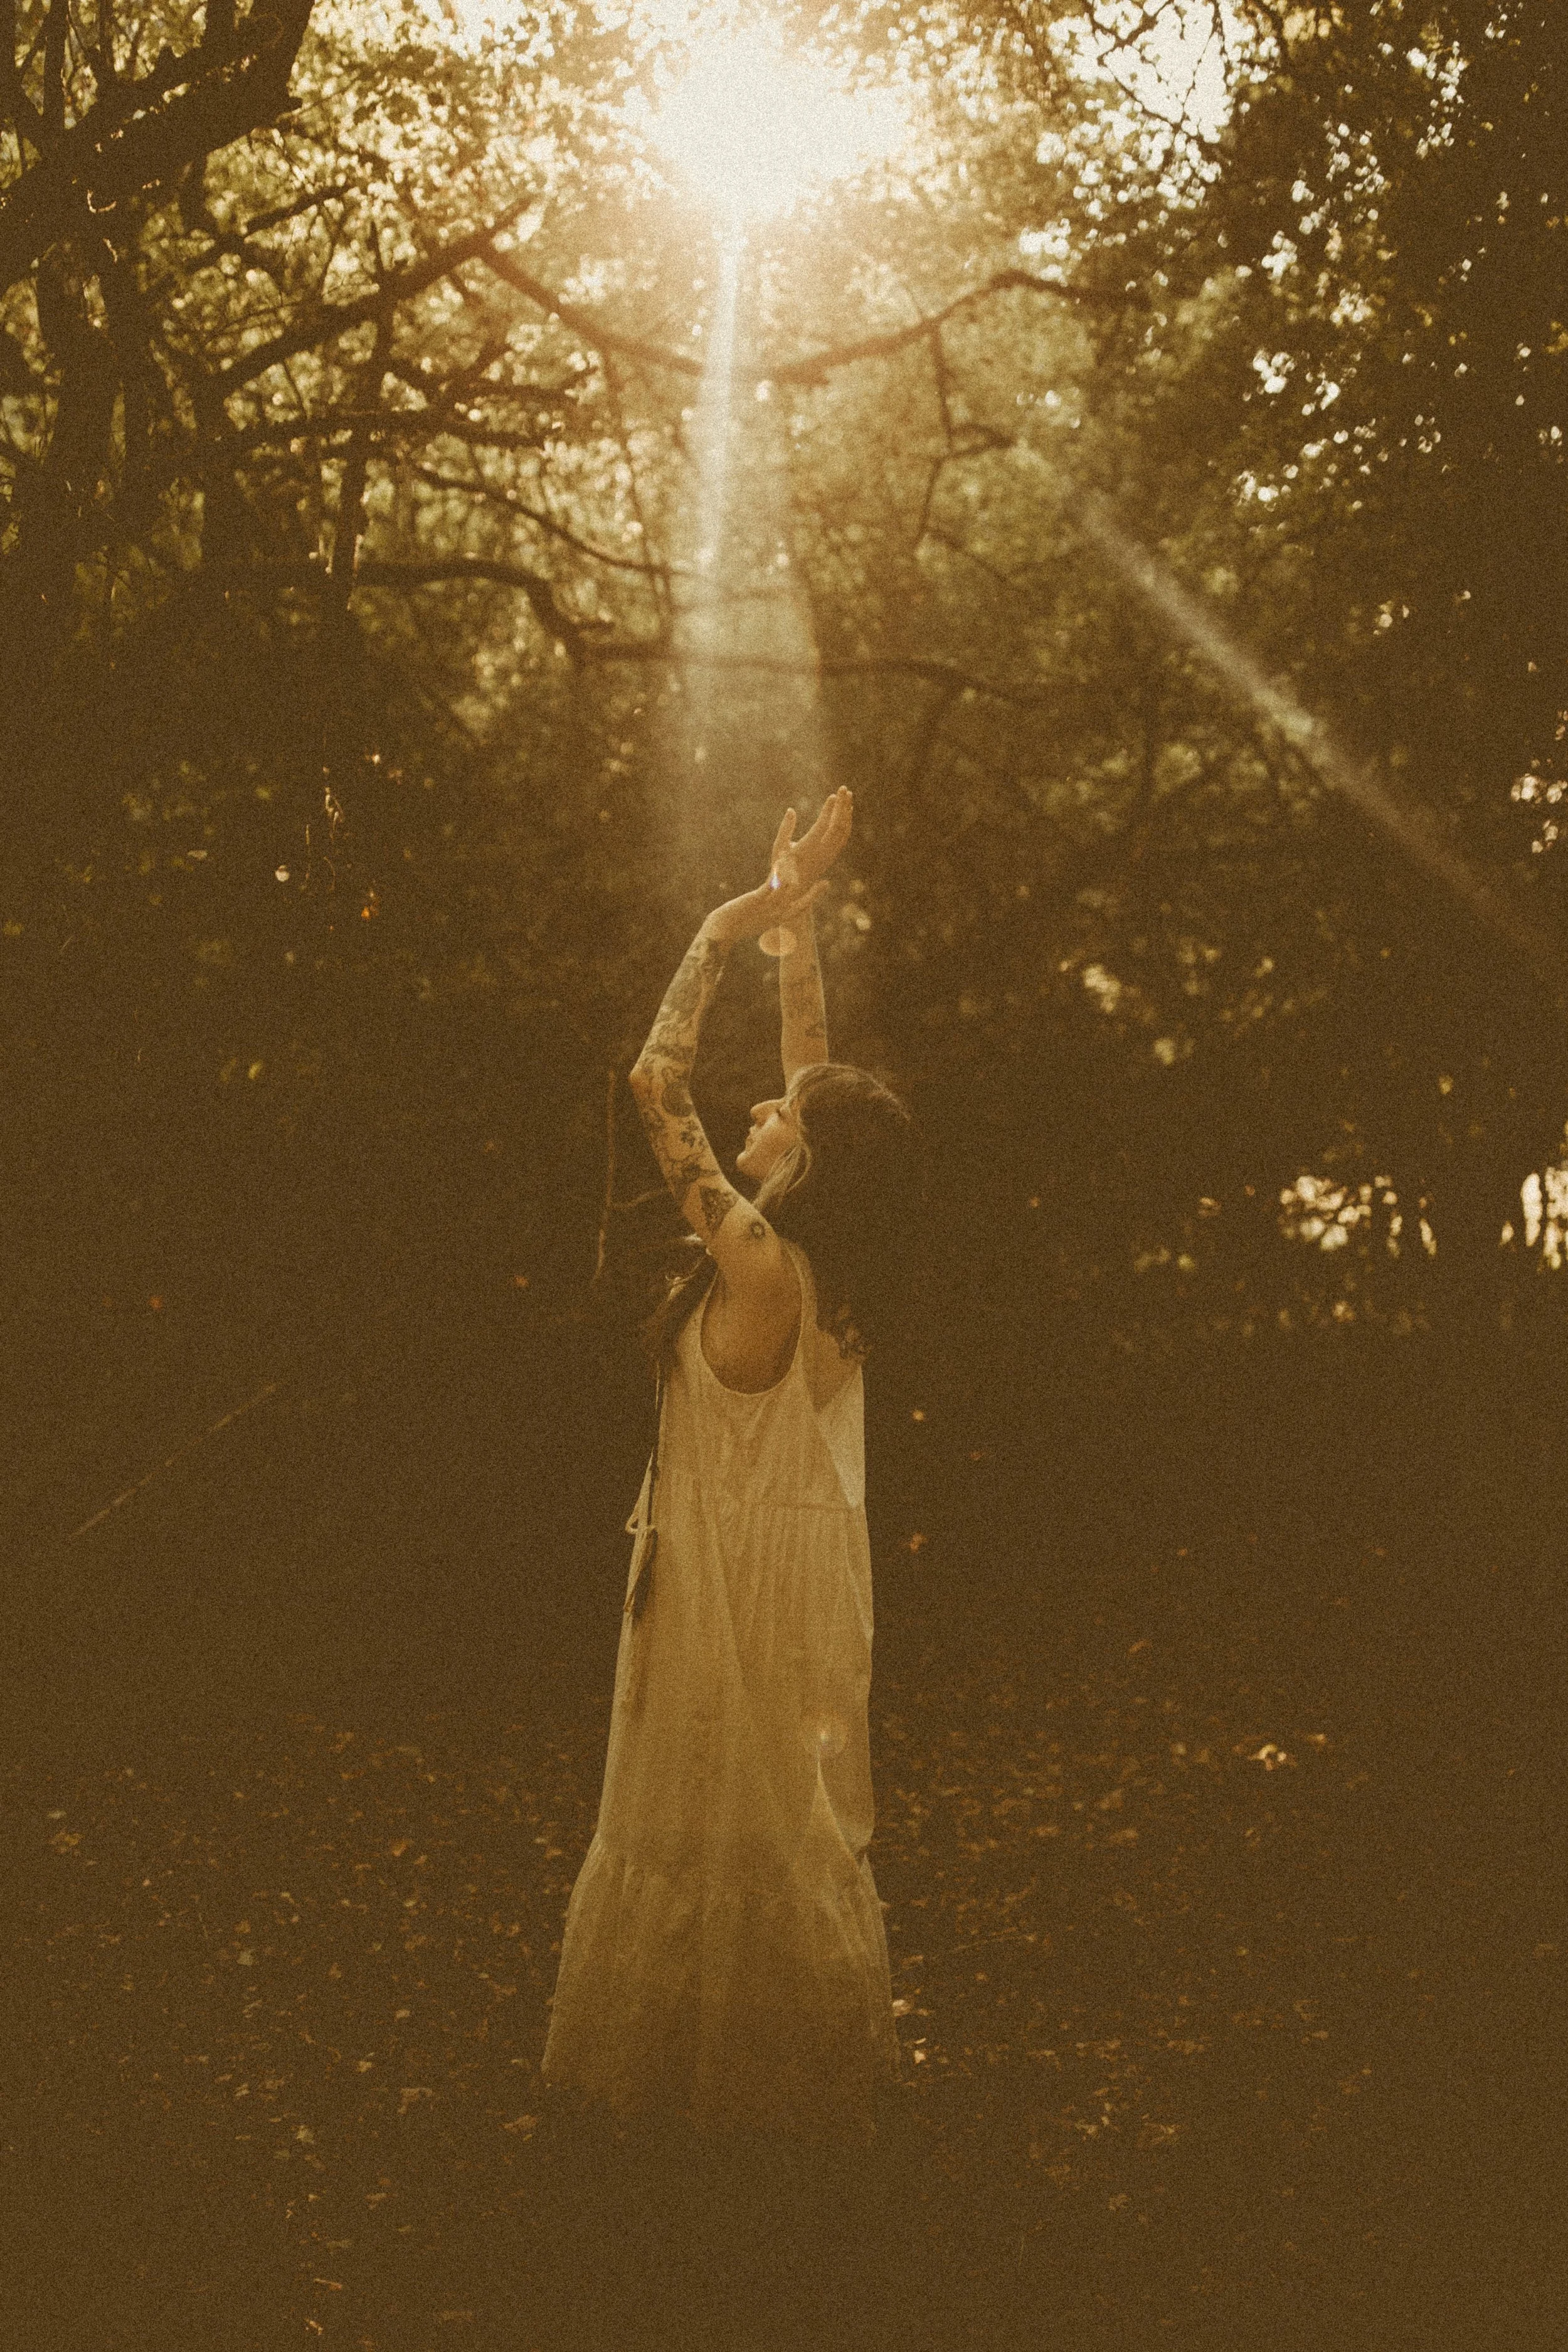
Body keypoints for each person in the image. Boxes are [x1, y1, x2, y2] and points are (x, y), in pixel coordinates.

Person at [540, 786, 916, 2150]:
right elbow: (809, 1069)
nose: (763, 1102)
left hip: (724, 1594)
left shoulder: (756, 1263)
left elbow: (654, 1082)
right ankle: (764, 2106)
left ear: (804, 1162)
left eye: (781, 1113)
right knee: (760, 1840)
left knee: (713, 1832)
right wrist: (796, 927)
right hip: (772, 1577)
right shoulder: (825, 1267)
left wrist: (722, 922)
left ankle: (708, 2127)